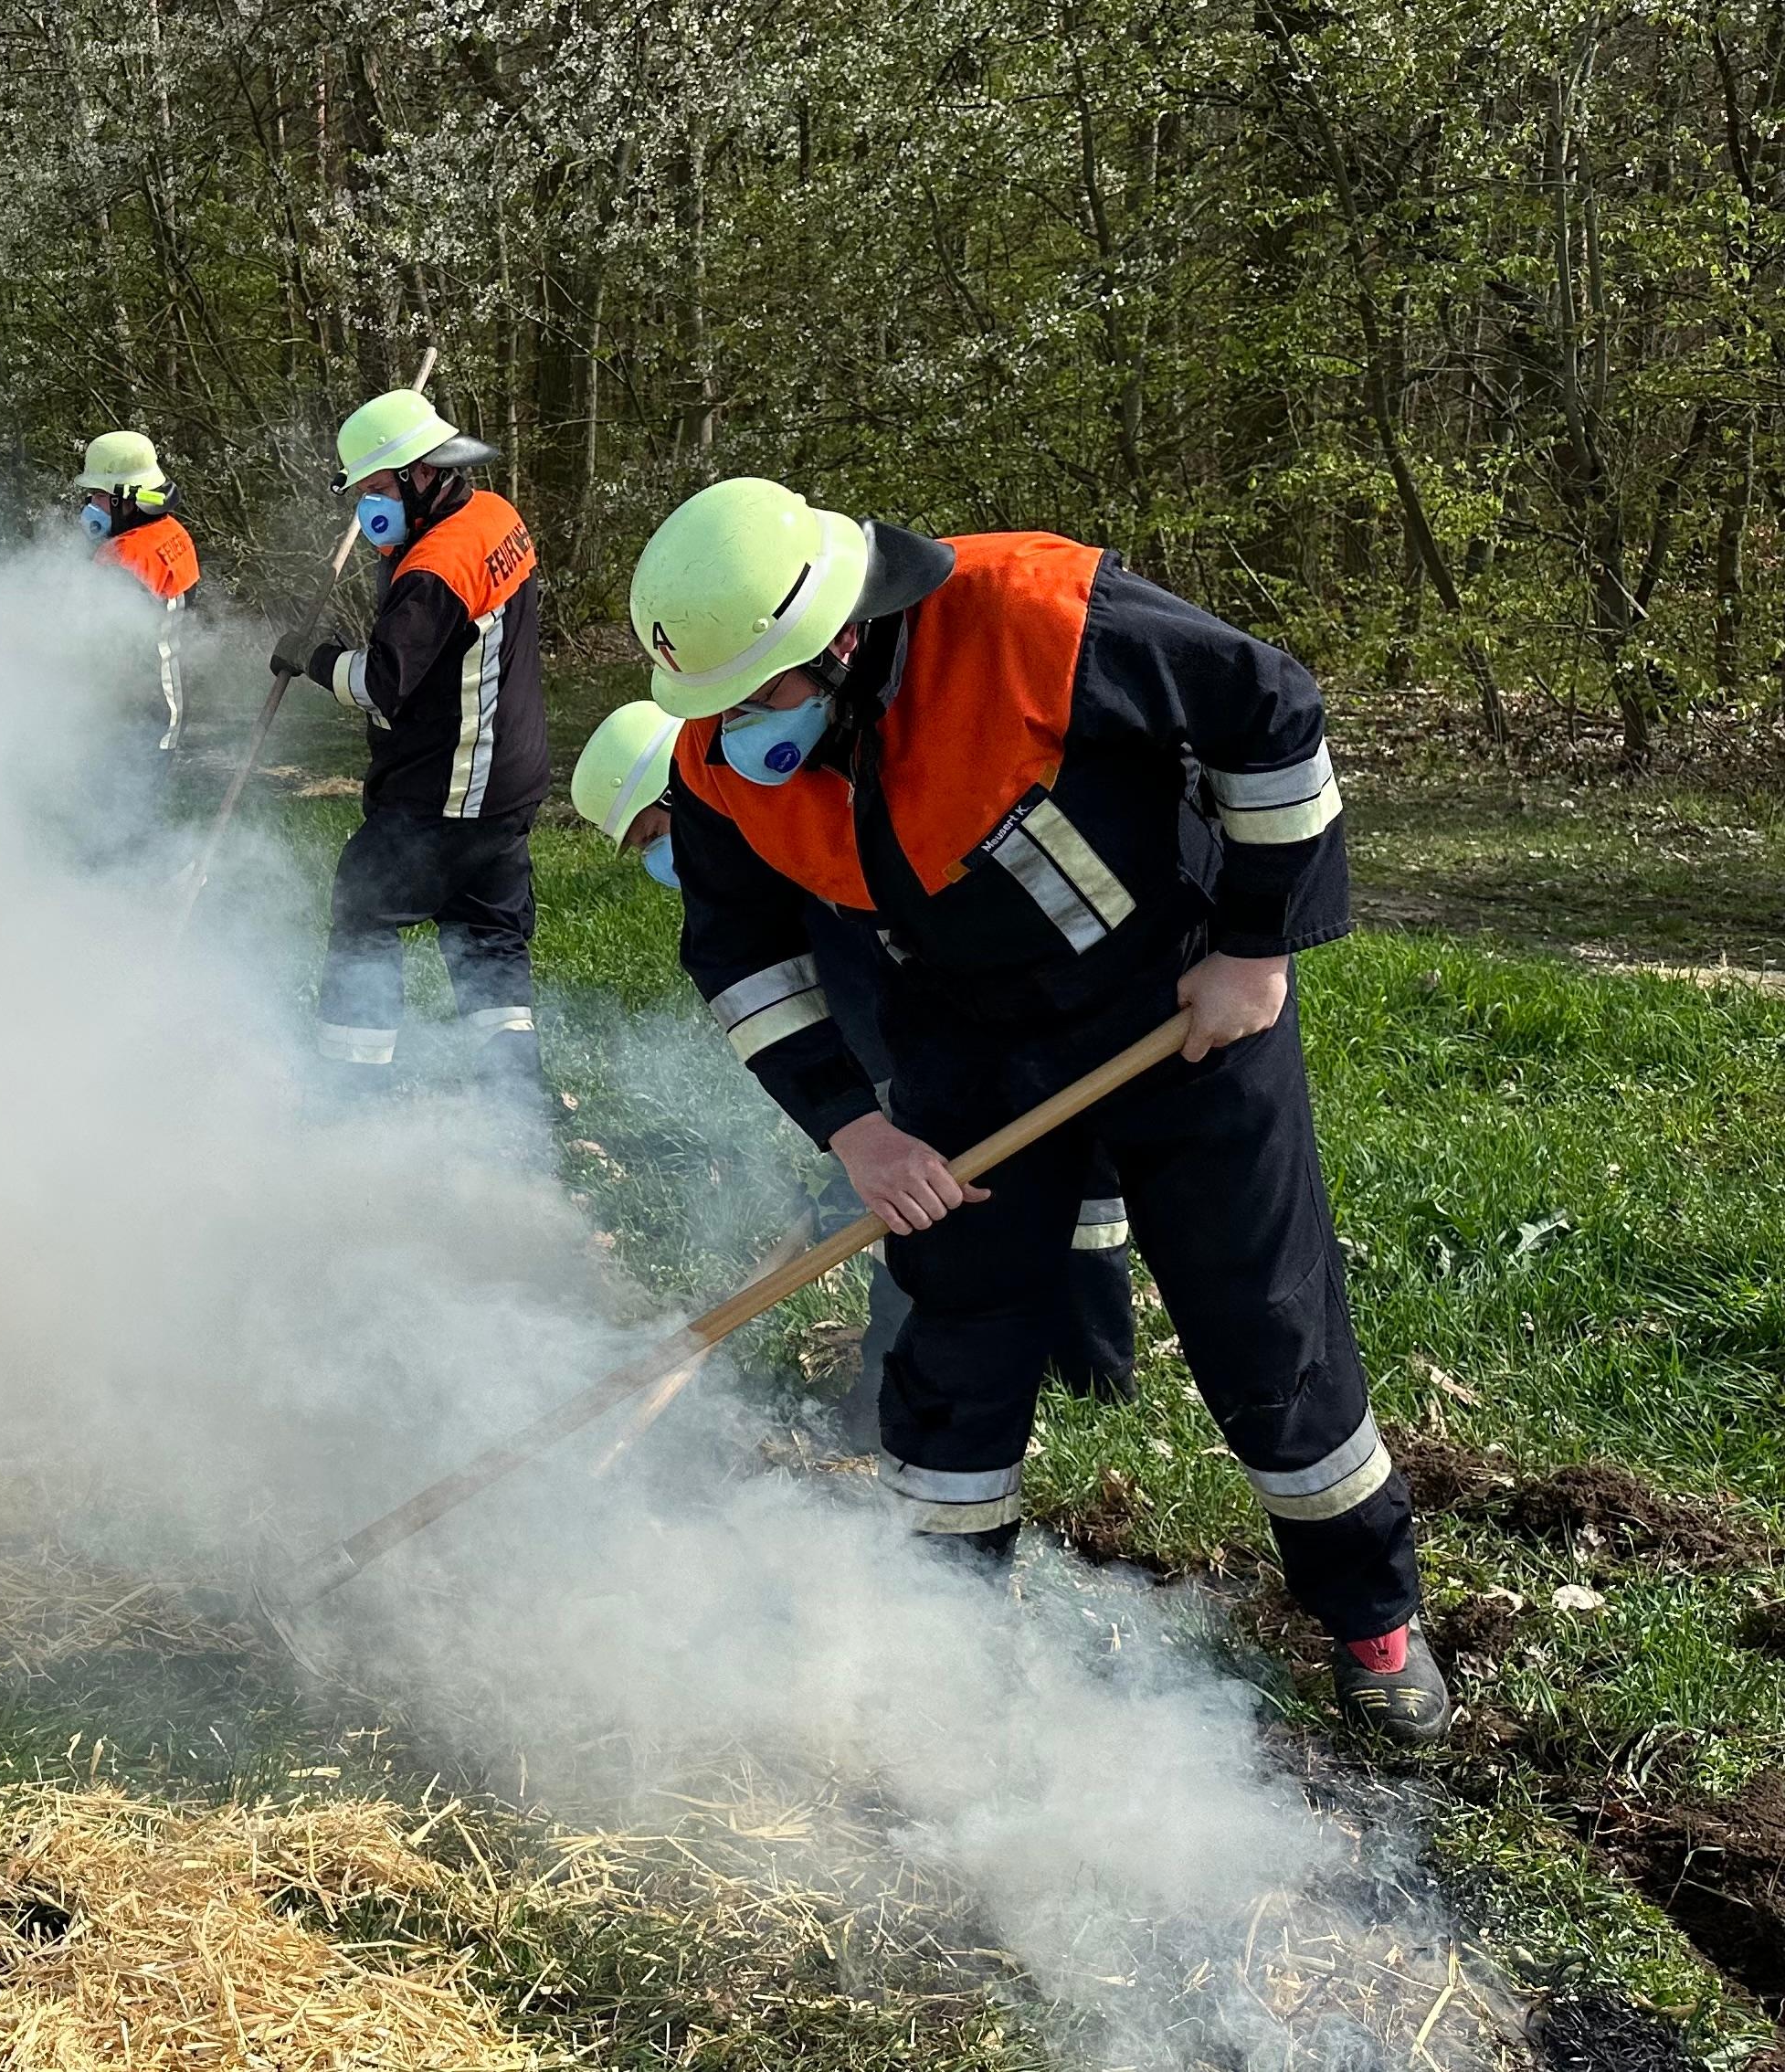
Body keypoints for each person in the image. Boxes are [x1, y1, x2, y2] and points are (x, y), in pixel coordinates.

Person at [621, 478, 1444, 1744]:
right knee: (956, 1339)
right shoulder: (718, 766)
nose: (732, 728)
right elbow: (738, 958)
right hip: (964, 1043)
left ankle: (1374, 1619)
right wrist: (859, 1130)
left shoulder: (1033, 616)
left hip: (1182, 1006)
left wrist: (1256, 945)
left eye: (756, 694)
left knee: (1264, 1325)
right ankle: (946, 1638)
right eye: (713, 705)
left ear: (840, 637)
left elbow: (1269, 708)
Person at [571, 704, 1137, 1447]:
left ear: (684, 790)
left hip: (990, 1044)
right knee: (1000, 1202)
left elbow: (875, 998)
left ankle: (927, 1397)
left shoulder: (813, 851)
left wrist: (877, 1124)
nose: (660, 860)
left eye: (653, 835)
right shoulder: (777, 860)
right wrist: (851, 1126)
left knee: (1004, 1212)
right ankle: (1081, 1382)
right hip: (950, 1055)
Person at [268, 390, 548, 1118]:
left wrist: (314, 658)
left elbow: (385, 684)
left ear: (424, 475)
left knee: (364, 906)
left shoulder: (434, 569)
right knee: (487, 933)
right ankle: (516, 1096)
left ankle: (349, 1093)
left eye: (374, 490)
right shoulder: (496, 517)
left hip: (449, 788)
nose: (366, 508)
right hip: (508, 778)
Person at [75, 431, 201, 754]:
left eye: (99, 496)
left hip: (132, 719)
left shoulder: (121, 557)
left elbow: (88, 641)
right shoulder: (173, 532)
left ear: (126, 500)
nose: (92, 506)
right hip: (167, 705)